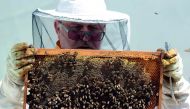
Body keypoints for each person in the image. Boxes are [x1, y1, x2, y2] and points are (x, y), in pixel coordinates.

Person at [0, 0, 190, 108]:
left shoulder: (125, 78)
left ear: (104, 30)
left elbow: (180, 106)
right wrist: (14, 83)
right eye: (75, 29)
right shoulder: (37, 75)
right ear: (57, 27)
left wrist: (172, 83)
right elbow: (7, 104)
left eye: (94, 30)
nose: (85, 37)